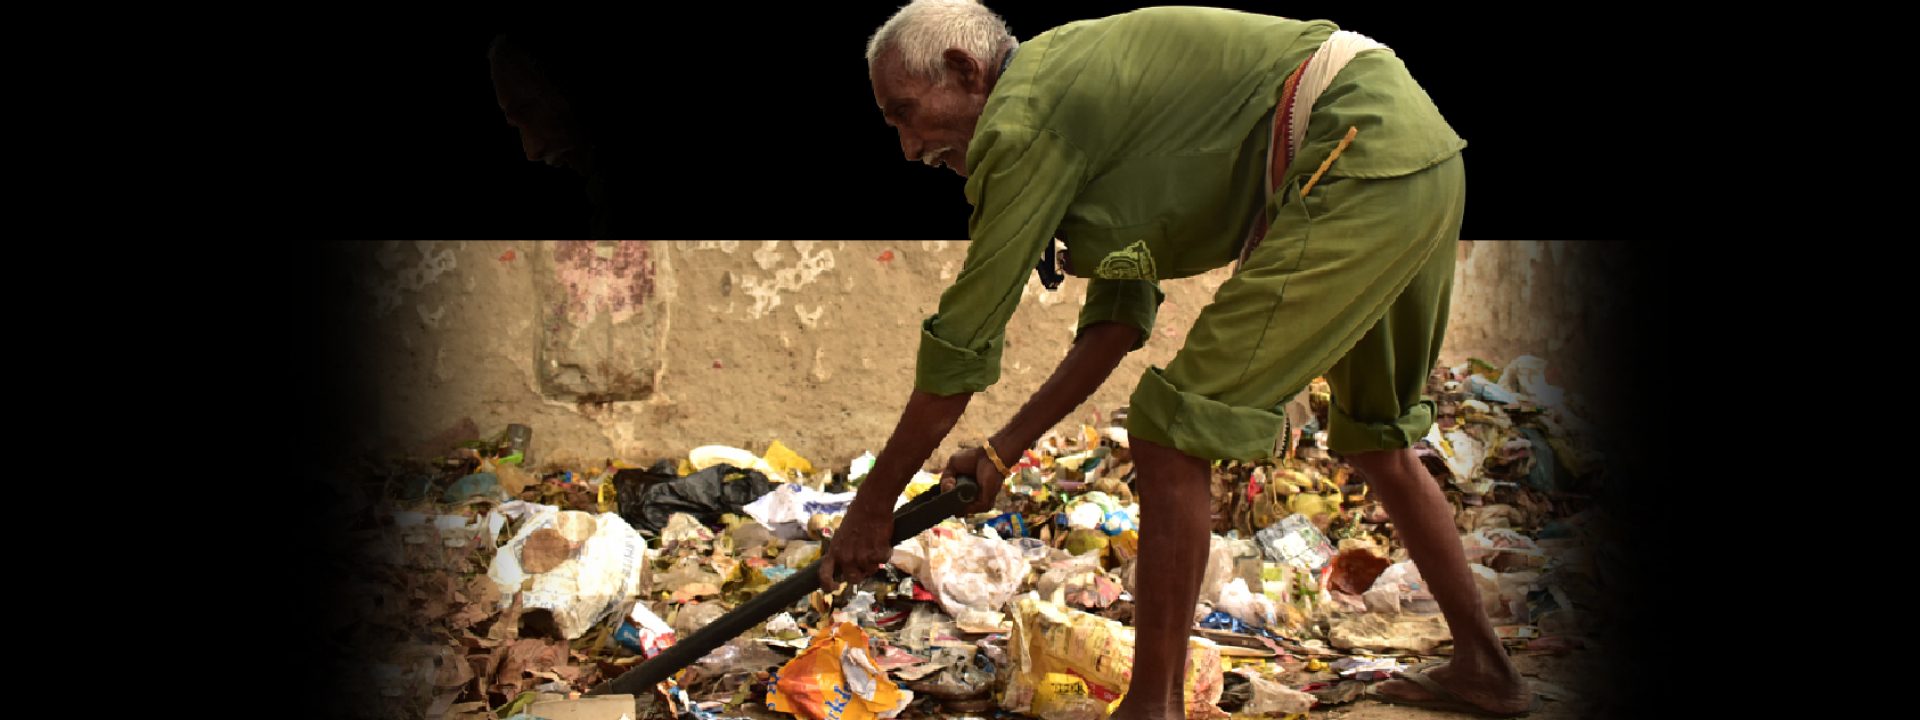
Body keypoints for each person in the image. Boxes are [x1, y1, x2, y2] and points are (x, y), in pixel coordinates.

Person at [818, 2, 1533, 717]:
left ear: (965, 71)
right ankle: (1485, 670)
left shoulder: (1024, 115)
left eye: (907, 114)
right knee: (1379, 439)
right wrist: (1005, 451)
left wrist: (872, 509)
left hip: (1349, 150)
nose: (910, 148)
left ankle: (1151, 708)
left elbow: (963, 345)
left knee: (1167, 430)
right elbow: (1117, 322)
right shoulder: (1084, 106)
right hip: (1412, 157)